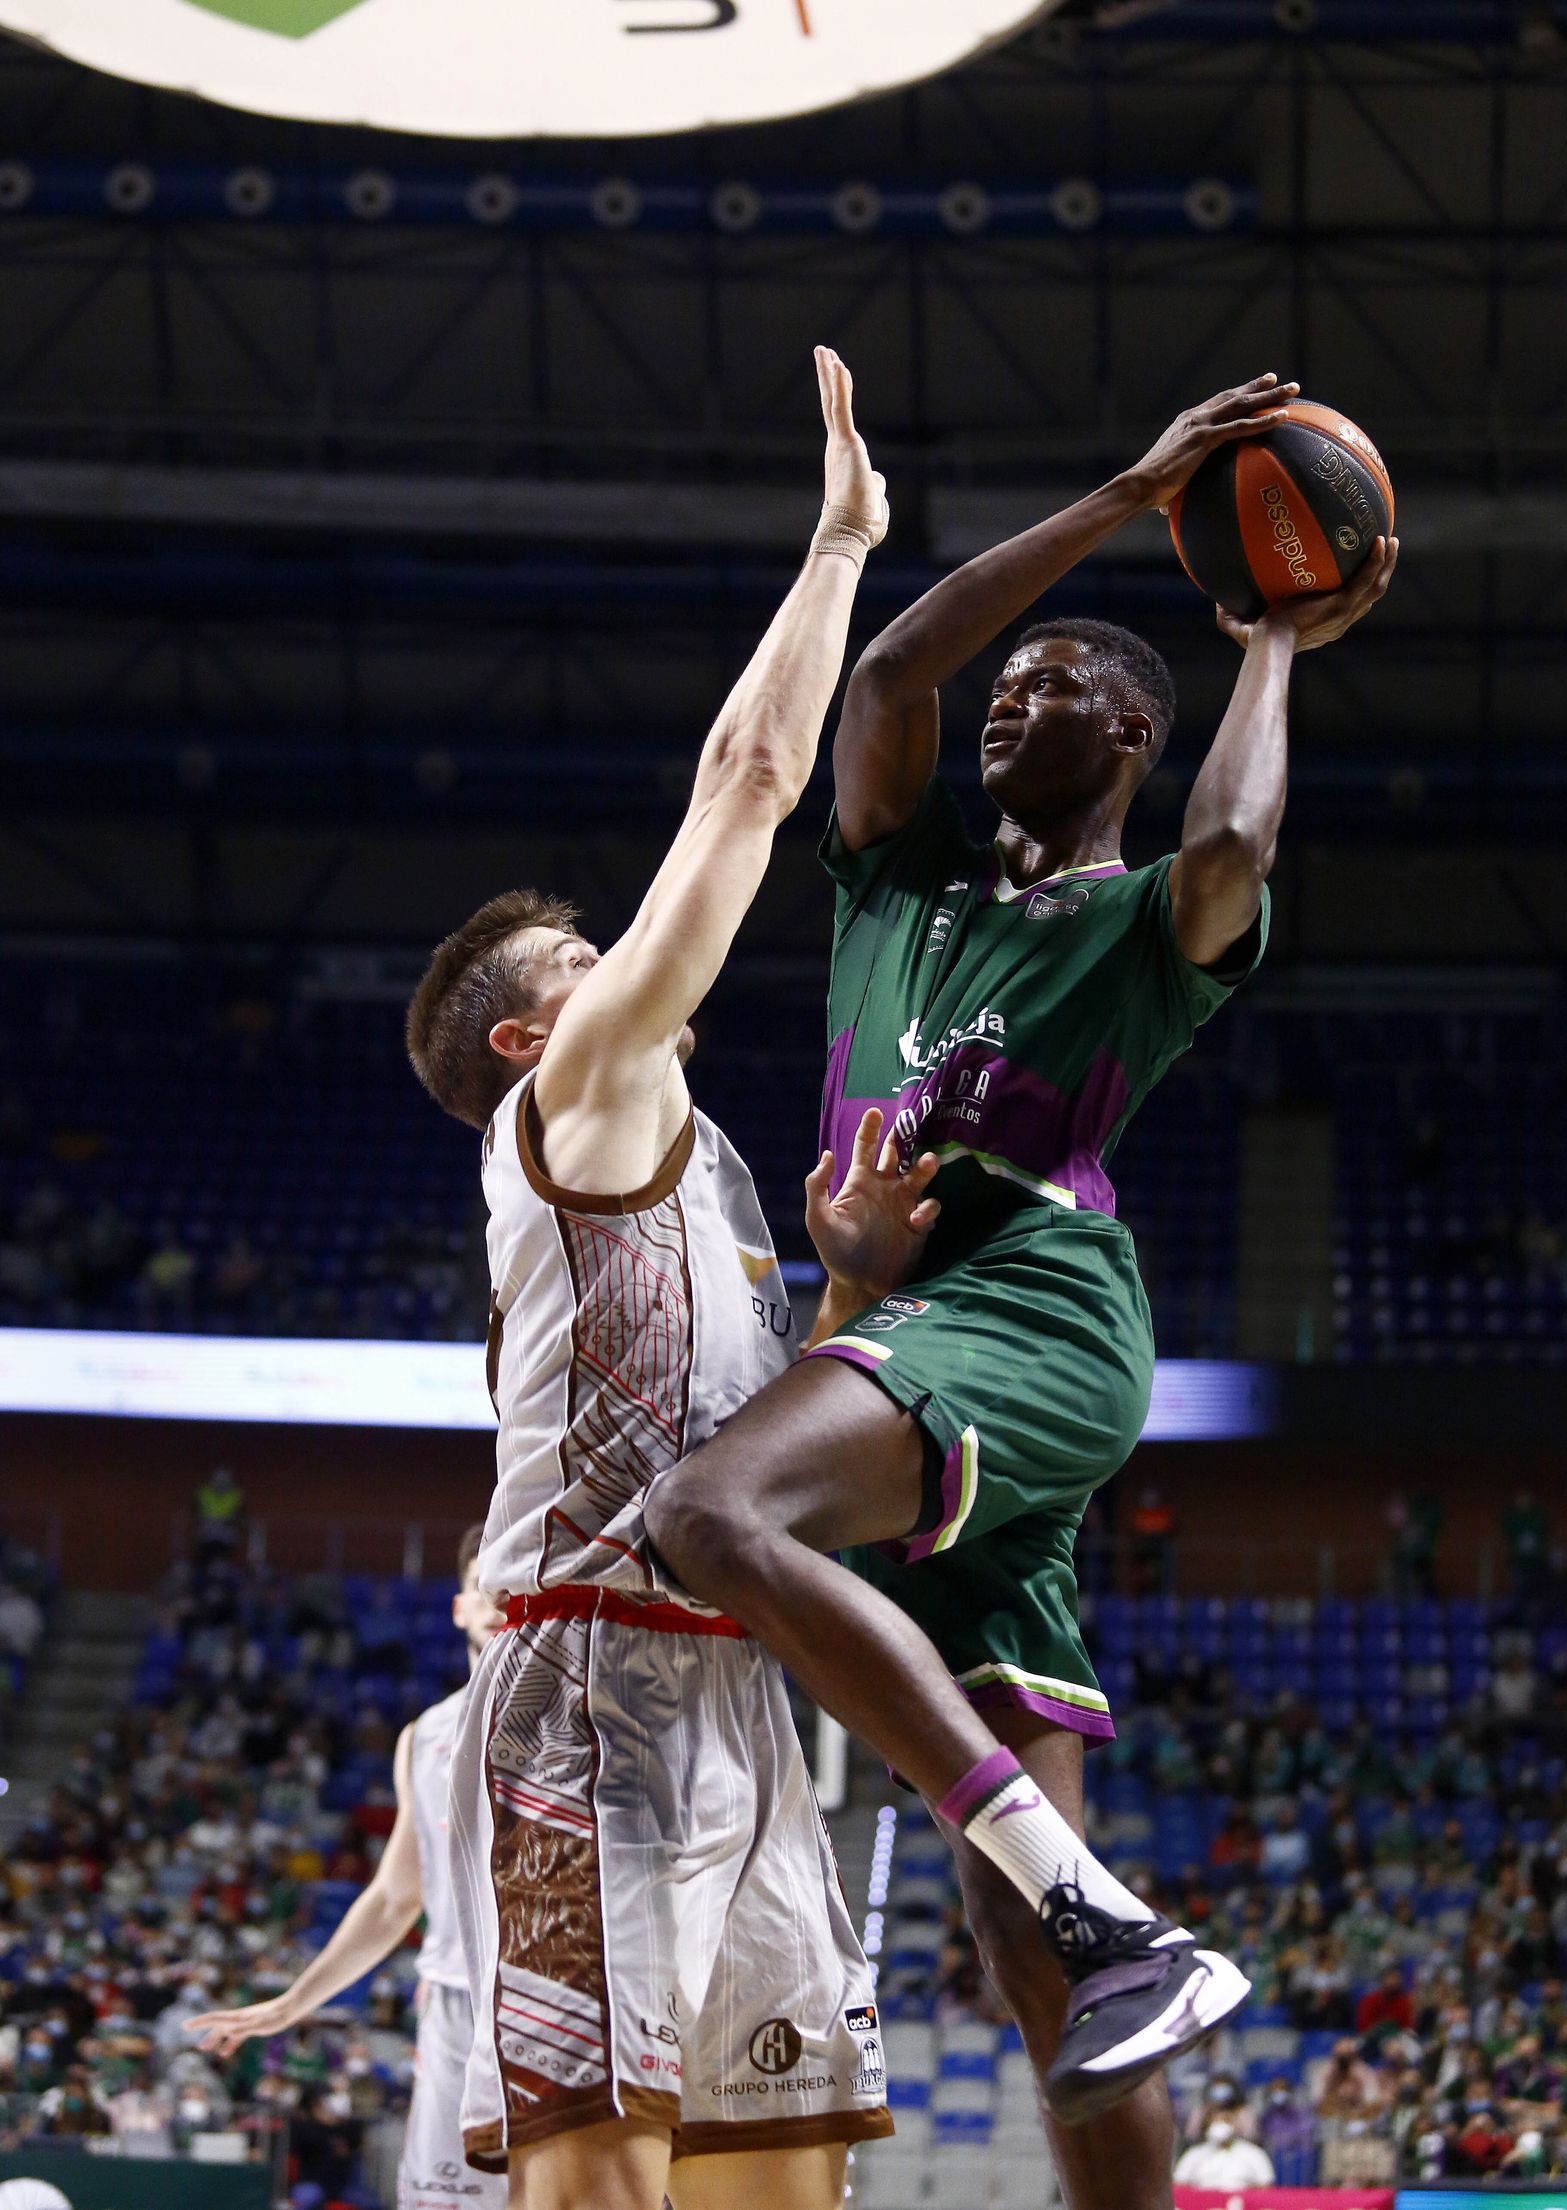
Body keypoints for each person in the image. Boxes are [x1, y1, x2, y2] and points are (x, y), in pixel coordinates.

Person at [643, 372, 1397, 2190]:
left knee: (709, 1511)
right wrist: (1123, 495)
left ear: (1132, 734)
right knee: (1027, 1959)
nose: (1012, 708)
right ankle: (1091, 1927)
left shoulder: (1146, 927)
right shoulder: (894, 882)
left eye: (1059, 691)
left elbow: (1229, 851)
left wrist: (1277, 638)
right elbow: (891, 677)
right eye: (1016, 687)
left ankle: (1101, 1906)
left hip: (1028, 1308)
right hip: (902, 1323)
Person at [403, 351, 907, 2210]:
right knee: (598, 2184)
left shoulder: (719, 1185)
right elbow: (752, 781)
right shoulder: (580, 1107)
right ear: (546, 1033)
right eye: (595, 956)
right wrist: (841, 546)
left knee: (781, 2184)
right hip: (582, 1703)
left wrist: (845, 1300)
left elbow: (756, 1470)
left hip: (739, 1701)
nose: (636, 956)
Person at [184, 1525, 508, 2210]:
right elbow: (395, 1900)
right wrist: (292, 2002)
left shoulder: (595, 1713)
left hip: (572, 2000)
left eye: (517, 1576)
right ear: (459, 1606)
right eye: (485, 1581)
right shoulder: (424, 1738)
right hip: (455, 2008)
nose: (500, 1594)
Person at [1173, 2114, 1275, 2190]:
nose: (1220, 2125)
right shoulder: (1194, 2153)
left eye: (1225, 2121)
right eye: (1215, 2121)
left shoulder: (1254, 2153)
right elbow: (1179, 2184)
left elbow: (1265, 2185)